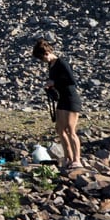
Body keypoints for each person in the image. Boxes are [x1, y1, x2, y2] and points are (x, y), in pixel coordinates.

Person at [33, 39, 83, 168]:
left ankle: (77, 160)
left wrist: (54, 83)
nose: (42, 61)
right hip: (62, 99)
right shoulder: (51, 65)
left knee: (70, 129)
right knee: (60, 129)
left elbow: (71, 80)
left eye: (41, 58)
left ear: (46, 53)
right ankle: (68, 157)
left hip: (71, 98)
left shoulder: (61, 63)